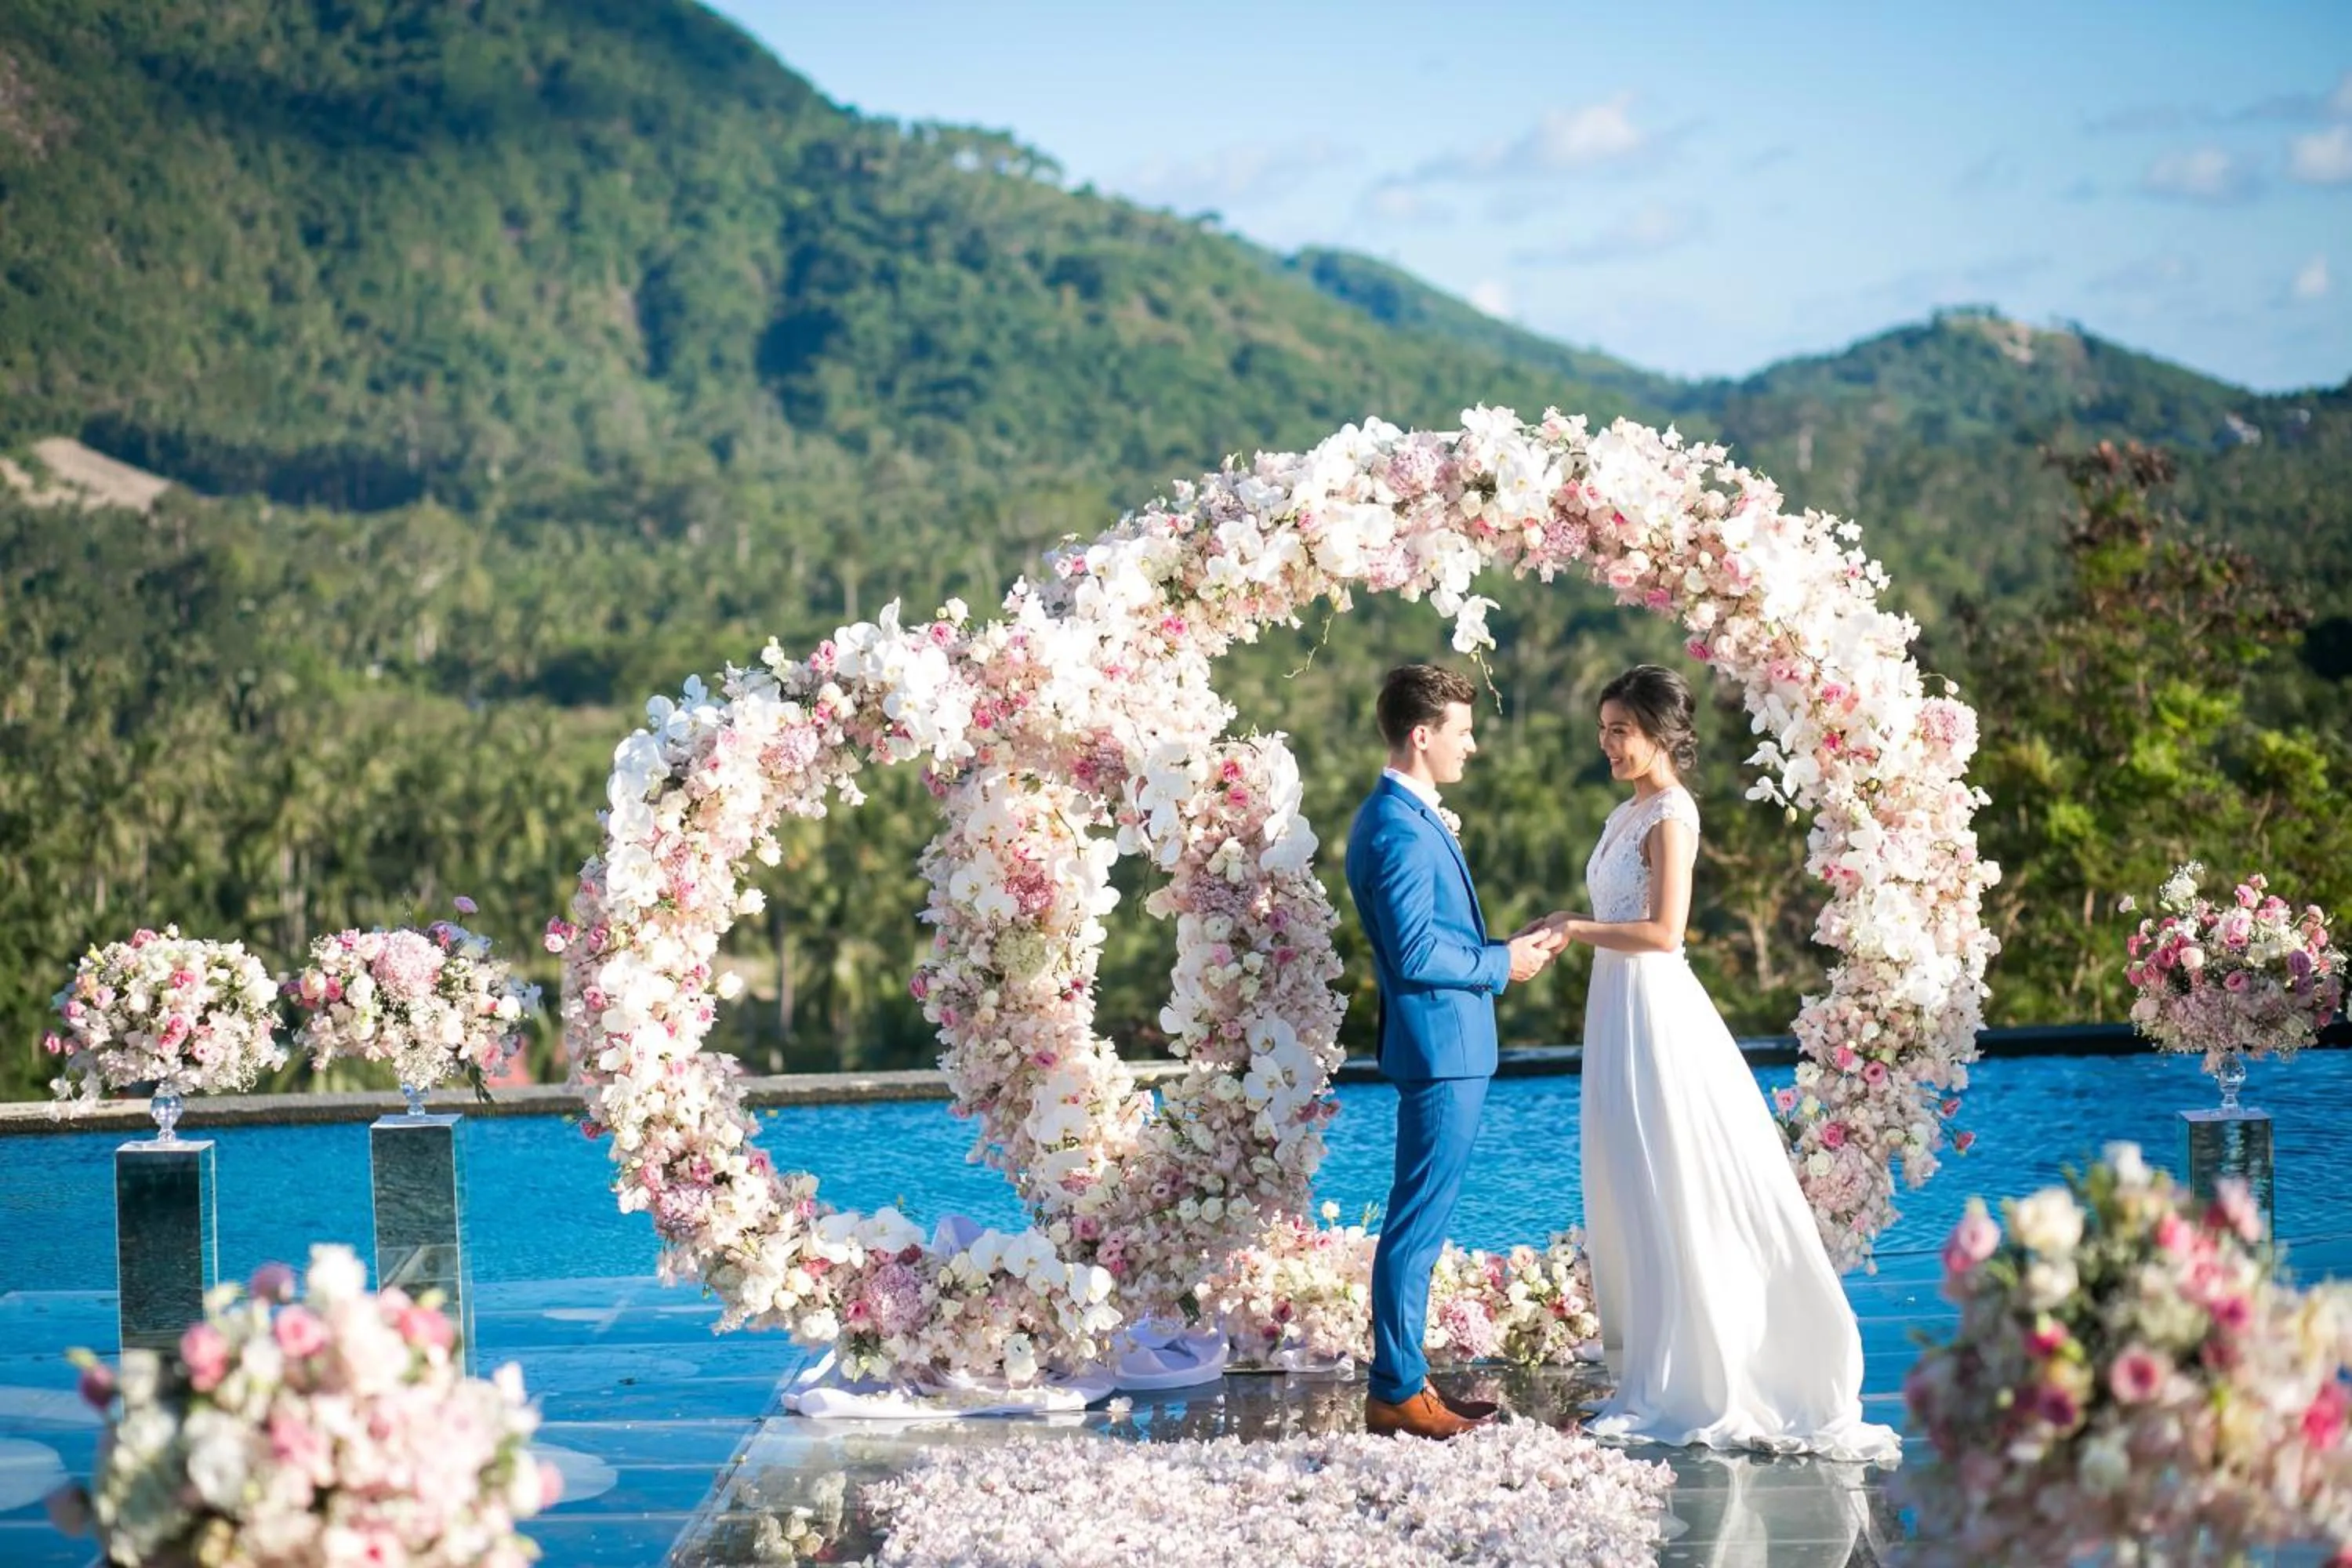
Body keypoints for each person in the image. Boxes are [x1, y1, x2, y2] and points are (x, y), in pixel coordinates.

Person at [1542, 663, 1899, 1460]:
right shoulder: (1622, 813)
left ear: (1662, 734)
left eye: (1620, 731)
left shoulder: (1673, 813)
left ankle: (1707, 1370)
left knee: (1678, 1170)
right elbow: (1614, 913)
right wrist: (1564, 925)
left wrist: (1574, 924)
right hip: (1616, 1005)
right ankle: (1655, 1367)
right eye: (1602, 729)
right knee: (1634, 1176)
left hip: (1655, 1007)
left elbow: (1666, 932)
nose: (1607, 743)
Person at [1344, 662, 1563, 1440]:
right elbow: (1411, 952)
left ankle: (1405, 1381)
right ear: (1422, 734)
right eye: (1463, 732)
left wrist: (1503, 948)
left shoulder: (1400, 815)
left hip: (1444, 1044)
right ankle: (1398, 1388)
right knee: (1417, 1224)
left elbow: (1432, 937)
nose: (1471, 746)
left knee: (1420, 1219)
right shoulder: (1399, 825)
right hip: (1442, 1049)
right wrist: (1505, 964)